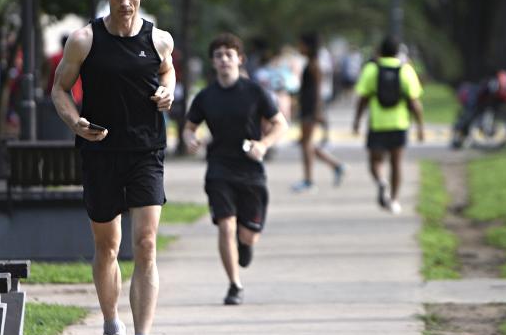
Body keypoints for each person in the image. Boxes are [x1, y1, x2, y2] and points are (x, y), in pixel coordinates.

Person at [51, 0, 175, 335]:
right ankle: (111, 330)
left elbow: (167, 71)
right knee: (108, 247)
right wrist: (76, 123)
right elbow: (60, 89)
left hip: (145, 151)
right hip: (101, 152)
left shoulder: (158, 39)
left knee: (145, 243)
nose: (126, 3)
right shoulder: (84, 40)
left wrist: (167, 92)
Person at [182, 33, 288, 305]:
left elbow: (280, 125)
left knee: (247, 235)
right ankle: (234, 285)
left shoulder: (255, 92)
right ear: (213, 62)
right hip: (219, 168)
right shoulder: (205, 97)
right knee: (225, 227)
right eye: (218, 55)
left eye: (229, 55)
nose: (224, 60)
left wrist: (263, 145)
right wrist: (190, 139)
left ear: (239, 59)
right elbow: (189, 127)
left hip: (251, 170)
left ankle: (246, 243)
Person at [352, 35, 424, 215]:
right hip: (399, 123)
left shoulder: (371, 69)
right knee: (396, 162)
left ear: (380, 51)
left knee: (375, 161)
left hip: (377, 123)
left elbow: (363, 98)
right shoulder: (406, 70)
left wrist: (357, 121)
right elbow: (414, 102)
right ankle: (394, 200)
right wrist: (420, 127)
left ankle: (381, 181)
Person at [293, 32, 345, 193]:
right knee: (306, 143)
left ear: (308, 46)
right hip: (307, 109)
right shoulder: (309, 63)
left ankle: (309, 180)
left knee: (306, 144)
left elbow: (317, 91)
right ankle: (336, 166)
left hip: (310, 110)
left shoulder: (314, 64)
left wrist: (317, 111)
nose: (298, 47)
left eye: (301, 44)